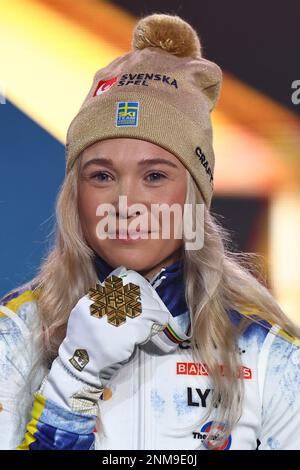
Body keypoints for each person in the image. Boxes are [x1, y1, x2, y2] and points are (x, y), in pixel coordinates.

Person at [0, 13, 300, 451]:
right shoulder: (13, 337)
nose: (126, 203)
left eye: (155, 176)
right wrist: (75, 377)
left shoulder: (268, 353)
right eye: (101, 176)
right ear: (74, 196)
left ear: (195, 196)